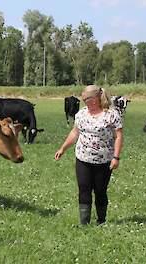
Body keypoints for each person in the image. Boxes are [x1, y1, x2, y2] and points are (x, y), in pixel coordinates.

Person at [55, 85, 123, 225]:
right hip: (83, 158)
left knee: (100, 191)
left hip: (104, 160)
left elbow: (118, 136)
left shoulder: (111, 114)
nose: (85, 102)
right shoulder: (81, 114)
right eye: (84, 99)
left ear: (97, 98)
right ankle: (84, 223)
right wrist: (63, 148)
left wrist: (116, 157)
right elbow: (75, 133)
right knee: (84, 189)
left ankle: (101, 221)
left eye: (87, 99)